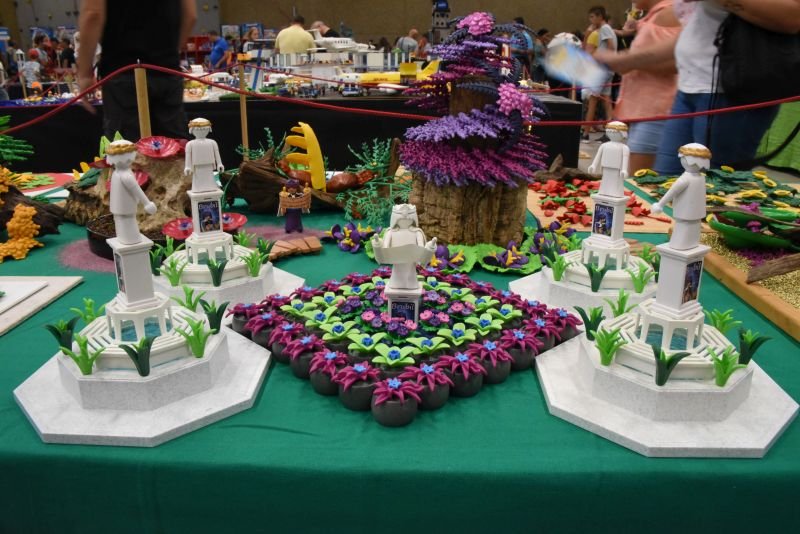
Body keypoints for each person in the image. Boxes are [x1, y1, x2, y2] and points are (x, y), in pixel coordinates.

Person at [597, 0, 800, 174]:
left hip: (729, 91)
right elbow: (694, 36)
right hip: (690, 87)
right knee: (663, 184)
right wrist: (626, 60)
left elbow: (792, 17)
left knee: (714, 189)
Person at [77, 0, 197, 141]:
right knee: (174, 145)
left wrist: (85, 73)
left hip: (122, 71)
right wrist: (171, 52)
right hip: (166, 71)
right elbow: (190, 15)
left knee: (126, 148)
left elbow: (93, 14)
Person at [597, 0, 681, 174]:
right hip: (645, 112)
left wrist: (623, 61)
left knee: (642, 180)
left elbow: (675, 62)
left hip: (656, 111)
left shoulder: (668, 13)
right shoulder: (656, 15)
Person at [582, 6, 618, 140]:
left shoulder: (604, 29)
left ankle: (585, 133)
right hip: (609, 69)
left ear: (600, 16)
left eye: (592, 17)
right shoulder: (608, 29)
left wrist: (600, 57)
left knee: (593, 100)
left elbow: (611, 46)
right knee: (607, 101)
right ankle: (611, 132)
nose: (590, 20)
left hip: (603, 69)